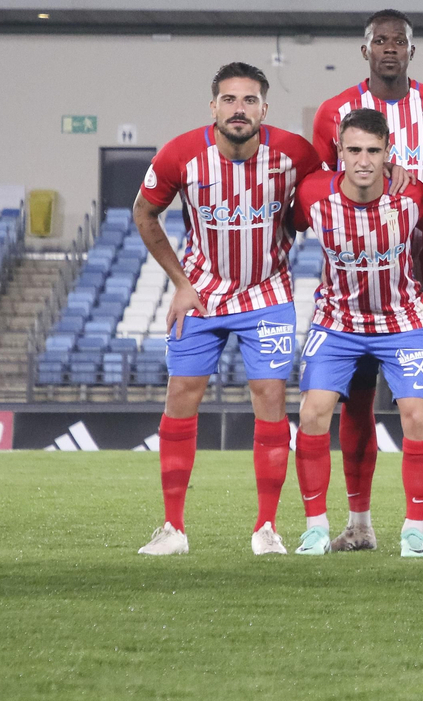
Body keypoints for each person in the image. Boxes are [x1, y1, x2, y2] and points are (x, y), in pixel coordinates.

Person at [134, 62, 321, 556]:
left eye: (250, 100)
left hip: (268, 295)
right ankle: (173, 528)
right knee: (181, 398)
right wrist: (179, 282)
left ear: (265, 108)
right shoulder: (180, 154)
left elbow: (330, 194)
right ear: (213, 106)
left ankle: (267, 528)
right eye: (230, 100)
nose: (240, 109)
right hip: (201, 293)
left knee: (270, 400)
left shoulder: (296, 154)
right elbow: (143, 211)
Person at [311, 9, 423, 553]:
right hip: (353, 285)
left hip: (422, 280)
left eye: (400, 41)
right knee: (355, 404)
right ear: (366, 50)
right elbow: (317, 181)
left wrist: (414, 184)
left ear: (412, 51)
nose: (390, 49)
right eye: (381, 41)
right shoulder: (333, 112)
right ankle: (359, 523)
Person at [290, 109, 423, 558]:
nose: (363, 160)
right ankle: (316, 529)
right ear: (339, 152)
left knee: (418, 416)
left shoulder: (412, 195)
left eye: (373, 151)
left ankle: (416, 530)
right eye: (353, 150)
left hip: (402, 323)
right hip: (338, 323)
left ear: (388, 154)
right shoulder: (314, 193)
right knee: (313, 412)